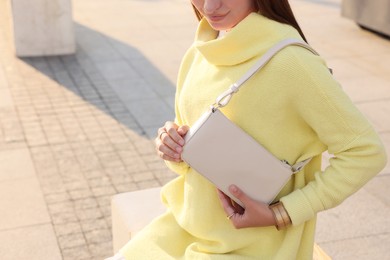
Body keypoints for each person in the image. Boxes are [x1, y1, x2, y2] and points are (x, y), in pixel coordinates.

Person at [110, 0, 387, 259]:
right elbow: (191, 151)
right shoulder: (199, 52)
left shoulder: (292, 62)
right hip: (182, 225)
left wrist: (283, 213)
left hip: (257, 247)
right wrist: (173, 147)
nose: (209, 6)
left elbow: (365, 152)